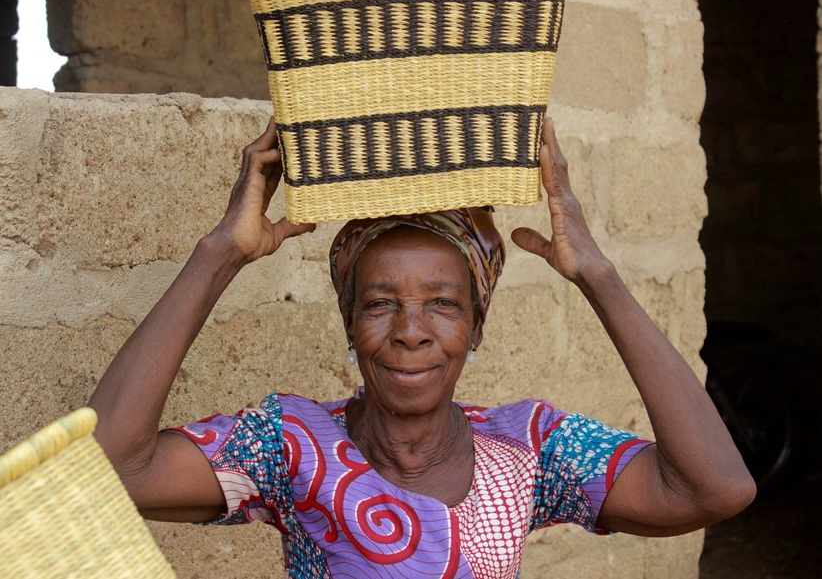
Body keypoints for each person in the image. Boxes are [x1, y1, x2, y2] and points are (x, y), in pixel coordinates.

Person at [89, 116, 755, 577]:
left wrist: (600, 278)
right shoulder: (290, 445)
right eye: (379, 303)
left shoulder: (527, 450)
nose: (411, 329)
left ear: (475, 327)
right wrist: (219, 254)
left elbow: (713, 488)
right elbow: (112, 468)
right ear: (351, 326)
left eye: (442, 302)